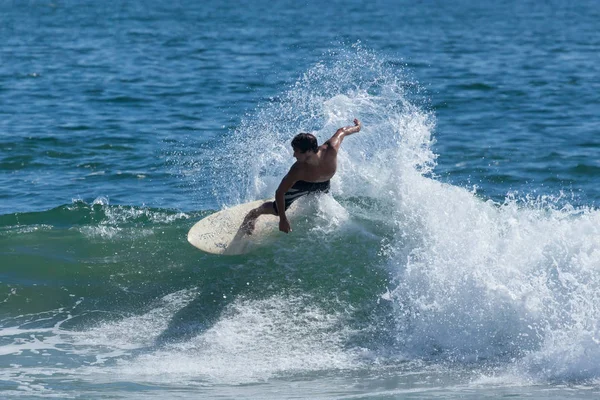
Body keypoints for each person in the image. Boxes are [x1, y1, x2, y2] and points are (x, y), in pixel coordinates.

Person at [242, 118, 362, 234]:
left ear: (309, 151)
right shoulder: (298, 169)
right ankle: (253, 214)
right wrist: (283, 219)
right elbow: (280, 192)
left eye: (296, 151)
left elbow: (342, 131)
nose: (294, 155)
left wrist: (357, 127)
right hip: (302, 185)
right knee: (277, 210)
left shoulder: (331, 149)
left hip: (324, 183)